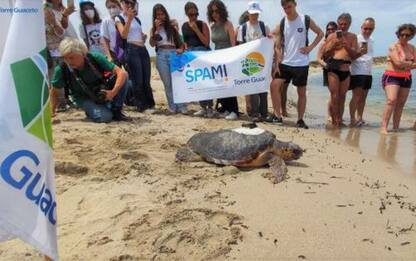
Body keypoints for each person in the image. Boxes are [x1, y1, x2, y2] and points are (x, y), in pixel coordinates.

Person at [270, 0, 323, 128]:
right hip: (285, 63)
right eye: (285, 8)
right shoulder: (282, 23)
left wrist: (310, 48)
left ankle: (300, 120)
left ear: (295, 4)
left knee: (301, 93)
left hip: (301, 63)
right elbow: (273, 39)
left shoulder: (305, 19)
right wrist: (278, 58)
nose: (287, 10)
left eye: (289, 6)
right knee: (274, 86)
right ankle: (277, 116)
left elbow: (320, 33)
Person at [50, 38, 129, 122]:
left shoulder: (95, 57)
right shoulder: (61, 69)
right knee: (105, 117)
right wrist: (52, 110)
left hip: (100, 92)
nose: (68, 61)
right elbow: (54, 91)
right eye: (65, 58)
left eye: (71, 57)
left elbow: (122, 73)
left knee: (124, 78)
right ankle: (94, 110)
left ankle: (116, 110)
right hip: (83, 98)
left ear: (83, 54)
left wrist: (113, 93)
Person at [323, 13, 364, 127]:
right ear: (338, 24)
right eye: (340, 24)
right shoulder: (331, 36)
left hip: (346, 68)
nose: (343, 26)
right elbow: (325, 54)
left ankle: (339, 119)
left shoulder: (353, 37)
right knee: (334, 95)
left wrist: (346, 46)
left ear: (350, 24)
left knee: (343, 96)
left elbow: (354, 55)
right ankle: (334, 120)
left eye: (345, 24)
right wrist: (333, 45)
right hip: (334, 67)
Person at [116, 0, 155, 112]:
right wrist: (129, 19)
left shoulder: (137, 19)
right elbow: (123, 35)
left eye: (132, 3)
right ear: (122, 4)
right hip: (131, 49)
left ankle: (150, 104)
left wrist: (143, 38)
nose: (129, 5)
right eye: (127, 3)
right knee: (137, 79)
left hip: (142, 49)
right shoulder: (119, 18)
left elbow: (137, 34)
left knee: (146, 79)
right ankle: (142, 106)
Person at [149, 4, 187, 114]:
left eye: (162, 14)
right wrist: (156, 30)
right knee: (167, 83)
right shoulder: (153, 29)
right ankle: (172, 107)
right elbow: (152, 44)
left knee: (177, 81)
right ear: (155, 17)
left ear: (165, 14)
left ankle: (181, 106)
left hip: (173, 53)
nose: (161, 17)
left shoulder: (172, 28)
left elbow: (181, 44)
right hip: (161, 54)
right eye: (158, 15)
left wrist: (180, 50)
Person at [236, 1, 270, 122]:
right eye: (252, 13)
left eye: (256, 13)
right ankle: (255, 114)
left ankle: (264, 113)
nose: (254, 16)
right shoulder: (242, 28)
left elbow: (269, 41)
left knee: (263, 88)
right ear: (248, 13)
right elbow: (240, 46)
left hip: (263, 61)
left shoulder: (264, 26)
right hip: (249, 62)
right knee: (253, 88)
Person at [380, 23, 416, 134]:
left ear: (412, 36)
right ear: (398, 34)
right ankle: (384, 127)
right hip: (392, 76)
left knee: (400, 104)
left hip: (406, 78)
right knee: (391, 100)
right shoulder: (393, 47)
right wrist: (409, 63)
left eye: (408, 35)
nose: (405, 37)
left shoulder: (412, 48)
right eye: (402, 34)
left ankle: (396, 127)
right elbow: (397, 63)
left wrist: (405, 64)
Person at [207, 0, 239, 120]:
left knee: (229, 84)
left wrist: (233, 59)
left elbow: (233, 44)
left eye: (217, 11)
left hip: (228, 57)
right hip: (217, 58)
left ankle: (234, 111)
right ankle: (225, 108)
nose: (215, 13)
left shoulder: (228, 24)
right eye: (212, 11)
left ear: (222, 11)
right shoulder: (213, 26)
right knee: (221, 85)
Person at [181, 1, 213, 118]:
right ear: (187, 14)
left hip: (202, 52)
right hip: (190, 54)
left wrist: (196, 29)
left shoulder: (202, 24)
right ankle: (203, 107)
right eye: (191, 15)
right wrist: (184, 51)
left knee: (206, 80)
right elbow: (185, 42)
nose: (194, 17)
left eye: (196, 14)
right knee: (197, 81)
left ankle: (210, 107)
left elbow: (206, 42)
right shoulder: (184, 26)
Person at [44, 0, 76, 111]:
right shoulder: (44, 9)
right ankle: (59, 104)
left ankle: (64, 102)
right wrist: (53, 22)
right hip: (50, 50)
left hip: (62, 49)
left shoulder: (61, 9)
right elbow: (59, 31)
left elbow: (63, 29)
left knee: (63, 77)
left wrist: (65, 15)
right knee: (55, 78)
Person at [349, 18, 376, 126]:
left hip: (368, 72)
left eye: (370, 29)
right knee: (356, 96)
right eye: (366, 28)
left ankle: (359, 117)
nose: (368, 31)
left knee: (363, 97)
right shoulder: (356, 38)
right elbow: (351, 55)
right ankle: (352, 119)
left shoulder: (372, 40)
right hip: (357, 72)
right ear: (361, 27)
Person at [317, 21, 338, 122]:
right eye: (328, 29)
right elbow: (319, 58)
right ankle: (330, 115)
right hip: (328, 69)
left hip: (339, 70)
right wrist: (326, 65)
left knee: (337, 94)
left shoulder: (340, 40)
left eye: (333, 29)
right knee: (332, 94)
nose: (330, 31)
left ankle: (336, 115)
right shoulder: (324, 42)